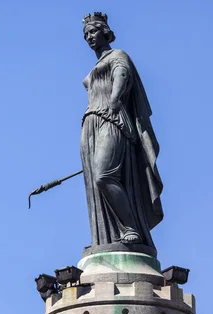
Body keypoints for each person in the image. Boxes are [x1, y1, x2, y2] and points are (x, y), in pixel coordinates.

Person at [80, 12, 164, 249]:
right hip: (91, 126)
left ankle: (130, 228)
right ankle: (106, 237)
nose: (89, 37)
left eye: (93, 31)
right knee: (94, 185)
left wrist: (116, 98)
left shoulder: (118, 55)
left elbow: (122, 74)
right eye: (86, 34)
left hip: (113, 120)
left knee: (104, 175)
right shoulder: (95, 65)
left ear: (105, 32)